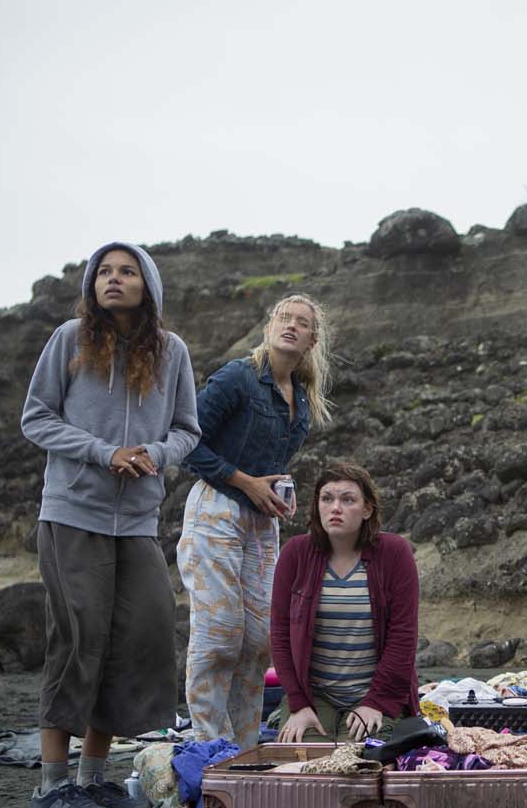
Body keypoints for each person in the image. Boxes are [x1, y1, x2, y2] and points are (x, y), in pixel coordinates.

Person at [19, 241, 200, 808]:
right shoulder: (69, 339)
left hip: (138, 521)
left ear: (148, 285)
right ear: (91, 284)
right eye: (104, 271)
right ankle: (52, 788)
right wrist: (103, 452)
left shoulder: (172, 351)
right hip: (73, 514)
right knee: (78, 641)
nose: (113, 279)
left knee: (137, 638)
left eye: (126, 271)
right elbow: (36, 417)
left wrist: (154, 453)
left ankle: (93, 780)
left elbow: (187, 430)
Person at [178, 294, 333, 749]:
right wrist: (246, 482)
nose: (291, 325)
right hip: (217, 509)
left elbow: (272, 464)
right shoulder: (238, 378)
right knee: (219, 634)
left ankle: (244, 747)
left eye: (301, 322)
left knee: (259, 639)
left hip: (261, 521)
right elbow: (187, 442)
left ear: (312, 340)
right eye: (284, 317)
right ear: (269, 328)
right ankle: (211, 747)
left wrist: (280, 489)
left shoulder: (301, 399)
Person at [270, 463, 420, 744]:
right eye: (327, 498)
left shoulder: (395, 553)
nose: (335, 508)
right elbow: (279, 634)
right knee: (306, 759)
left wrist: (376, 702)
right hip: (314, 695)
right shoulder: (295, 554)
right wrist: (298, 704)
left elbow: (403, 637)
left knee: (358, 760)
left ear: (367, 510)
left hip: (374, 693)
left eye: (348, 500)